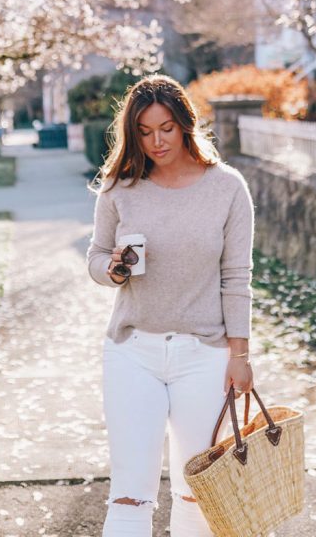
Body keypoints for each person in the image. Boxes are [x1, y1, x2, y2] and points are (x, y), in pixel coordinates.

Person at [87, 74, 255, 537]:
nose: (156, 140)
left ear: (185, 123)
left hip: (204, 355)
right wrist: (114, 269)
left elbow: (236, 277)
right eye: (144, 131)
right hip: (131, 351)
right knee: (129, 492)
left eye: (165, 127)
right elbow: (96, 258)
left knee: (196, 492)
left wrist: (240, 356)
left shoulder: (227, 188)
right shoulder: (120, 187)